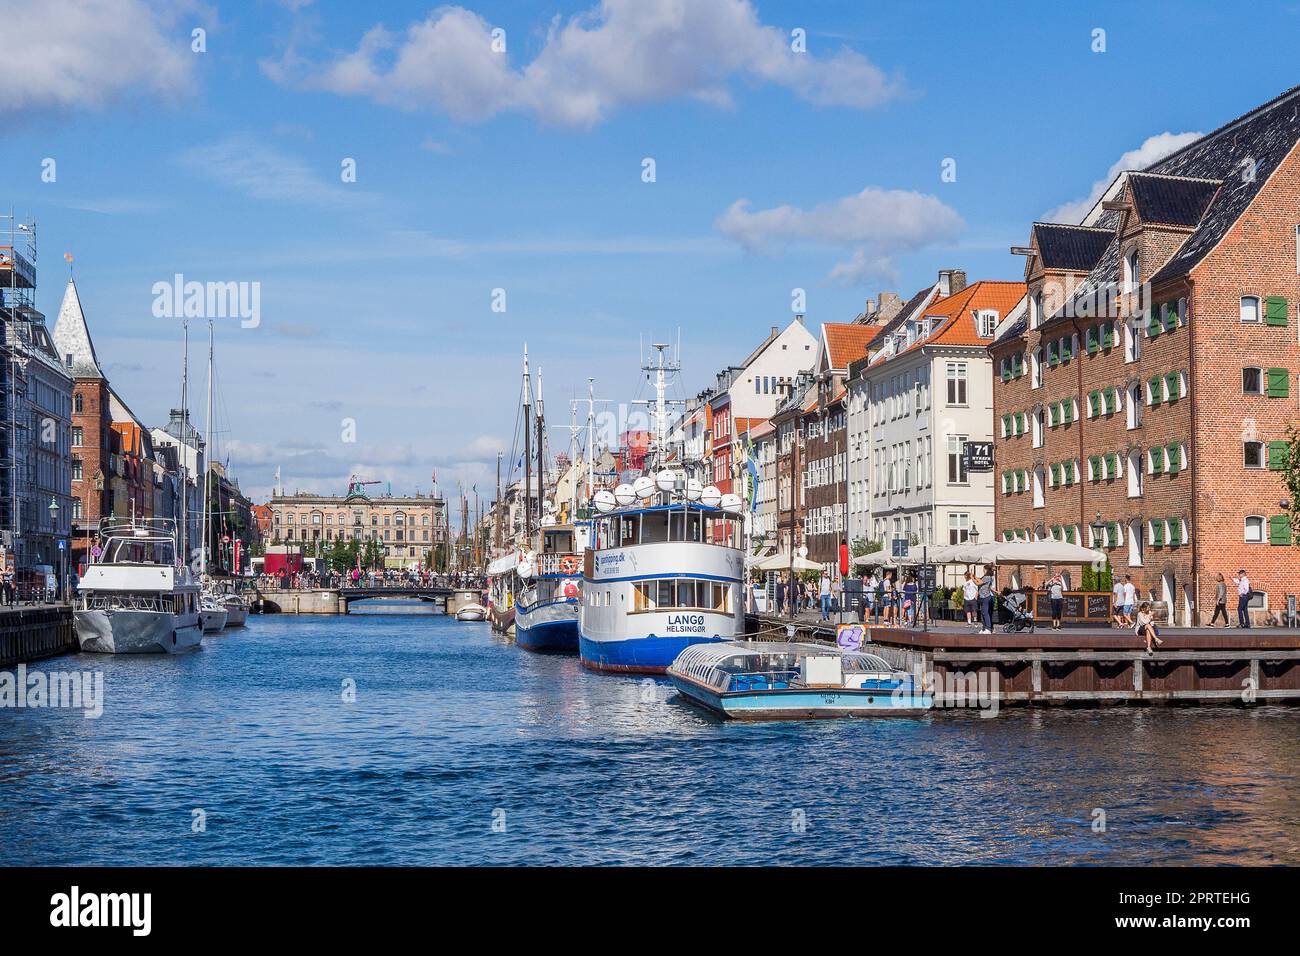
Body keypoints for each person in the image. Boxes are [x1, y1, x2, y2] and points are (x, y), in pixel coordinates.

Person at [977, 565, 994, 634]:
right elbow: (979, 580)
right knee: (983, 613)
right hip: (982, 597)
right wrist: (974, 576)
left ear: (986, 570)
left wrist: (972, 578)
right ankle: (984, 628)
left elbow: (978, 583)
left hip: (985, 597)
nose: (983, 570)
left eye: (983, 569)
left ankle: (988, 628)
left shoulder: (987, 577)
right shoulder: (985, 577)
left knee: (985, 613)